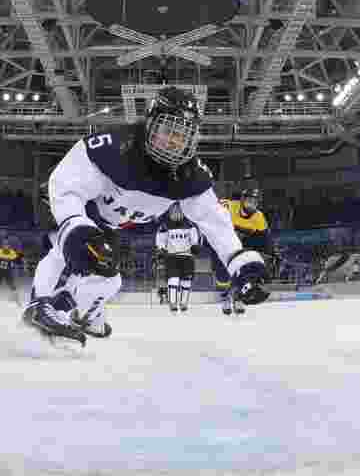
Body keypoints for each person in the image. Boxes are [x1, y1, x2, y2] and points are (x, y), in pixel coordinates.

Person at [22, 86, 269, 345]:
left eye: (182, 135)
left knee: (109, 280)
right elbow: (66, 184)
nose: (174, 141)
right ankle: (40, 304)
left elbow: (216, 225)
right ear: (150, 124)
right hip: (78, 206)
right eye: (167, 131)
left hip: (109, 224)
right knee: (68, 249)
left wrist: (243, 265)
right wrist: (73, 224)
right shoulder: (111, 147)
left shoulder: (191, 177)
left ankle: (73, 312)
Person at [212, 186, 274, 316]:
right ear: (242, 200)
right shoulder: (228, 206)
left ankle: (238, 297)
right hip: (221, 243)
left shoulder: (259, 217)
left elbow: (266, 238)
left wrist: (271, 253)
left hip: (240, 248)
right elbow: (210, 210)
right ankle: (225, 296)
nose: (251, 204)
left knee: (246, 271)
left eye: (255, 202)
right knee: (222, 277)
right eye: (249, 201)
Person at [155, 202, 201, 313]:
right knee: (173, 280)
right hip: (171, 257)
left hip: (187, 257)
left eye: (179, 210)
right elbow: (160, 240)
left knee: (186, 281)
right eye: (174, 211)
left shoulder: (190, 225)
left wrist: (195, 246)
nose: (176, 213)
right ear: (170, 211)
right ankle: (172, 303)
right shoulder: (164, 226)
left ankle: (184, 303)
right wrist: (161, 250)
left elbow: (195, 239)